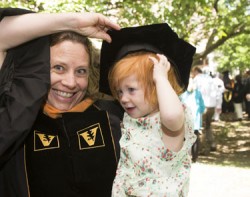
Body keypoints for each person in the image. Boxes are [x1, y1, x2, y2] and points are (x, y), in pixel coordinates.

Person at [0, 8, 123, 197]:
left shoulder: (110, 117)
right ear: (39, 70)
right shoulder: (15, 120)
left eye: (81, 71)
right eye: (59, 68)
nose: (71, 82)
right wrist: (72, 22)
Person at [99, 23, 196, 196]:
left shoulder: (167, 124)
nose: (123, 98)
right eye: (119, 91)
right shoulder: (132, 120)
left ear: (157, 86)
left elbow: (172, 116)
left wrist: (160, 78)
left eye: (131, 90)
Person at [192, 66, 220, 154]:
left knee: (201, 127)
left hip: (202, 106)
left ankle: (203, 149)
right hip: (212, 105)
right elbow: (217, 92)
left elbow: (193, 91)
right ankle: (212, 144)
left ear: (196, 71)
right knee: (208, 126)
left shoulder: (196, 79)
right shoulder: (210, 79)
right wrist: (218, 105)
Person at [180, 77, 205, 162]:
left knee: (192, 138)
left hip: (191, 120)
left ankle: (192, 157)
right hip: (188, 120)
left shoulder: (196, 93)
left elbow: (202, 107)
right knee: (189, 138)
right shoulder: (185, 94)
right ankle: (190, 156)